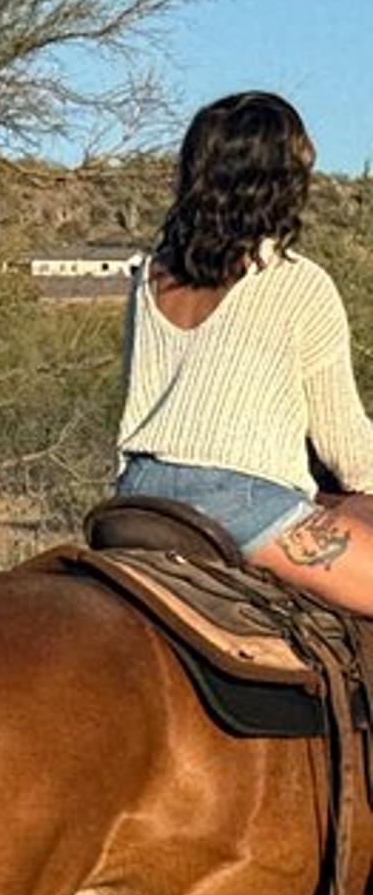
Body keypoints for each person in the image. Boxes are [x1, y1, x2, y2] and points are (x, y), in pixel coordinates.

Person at [115, 90, 373, 610]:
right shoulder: (299, 283)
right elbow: (348, 449)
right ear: (278, 183)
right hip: (241, 506)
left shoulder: (149, 277)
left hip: (136, 499)